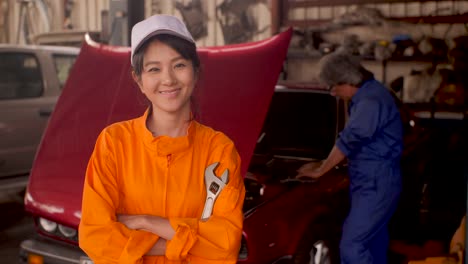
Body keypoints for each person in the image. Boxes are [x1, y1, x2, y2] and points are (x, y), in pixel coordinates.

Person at [78, 14, 245, 264]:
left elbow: (227, 244)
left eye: (179, 65)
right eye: (154, 69)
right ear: (139, 79)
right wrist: (188, 242)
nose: (168, 79)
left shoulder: (219, 150)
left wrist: (146, 222)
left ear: (195, 72)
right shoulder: (113, 143)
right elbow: (95, 236)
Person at [297, 52, 403, 264]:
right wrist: (323, 162)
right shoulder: (367, 94)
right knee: (373, 242)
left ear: (346, 80)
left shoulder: (371, 102)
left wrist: (320, 170)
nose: (334, 93)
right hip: (370, 181)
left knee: (351, 245)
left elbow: (349, 140)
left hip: (376, 182)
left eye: (333, 87)